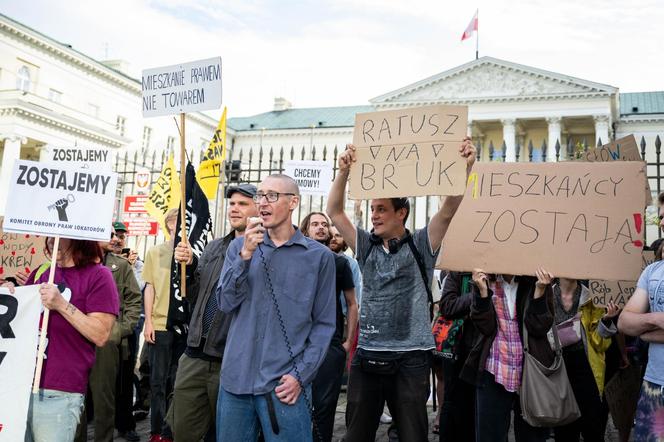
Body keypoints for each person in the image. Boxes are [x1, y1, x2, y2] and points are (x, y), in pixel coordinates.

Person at [326, 138, 476, 441]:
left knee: (412, 435)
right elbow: (335, 211)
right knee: (355, 435)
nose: (374, 215)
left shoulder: (422, 244)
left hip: (412, 358)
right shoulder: (366, 245)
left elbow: (448, 210)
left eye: (381, 209)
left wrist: (467, 165)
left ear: (401, 213)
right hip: (368, 355)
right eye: (372, 209)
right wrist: (342, 172)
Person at [216, 174, 336, 442]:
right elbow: (224, 303)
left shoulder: (319, 258)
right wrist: (244, 257)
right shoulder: (239, 247)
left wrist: (300, 376)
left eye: (272, 195)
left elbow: (324, 325)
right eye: (259, 195)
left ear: (293, 202)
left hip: (284, 386)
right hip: (236, 382)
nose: (262, 203)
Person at [168, 183, 259, 442]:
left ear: (258, 208)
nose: (234, 209)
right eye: (232, 204)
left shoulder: (267, 251)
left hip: (232, 360)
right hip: (194, 354)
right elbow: (198, 297)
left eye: (243, 204)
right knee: (182, 430)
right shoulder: (215, 247)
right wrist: (190, 265)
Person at [3, 237, 118, 441]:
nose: (51, 238)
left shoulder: (99, 276)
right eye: (49, 234)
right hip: (20, 387)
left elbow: (100, 334)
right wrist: (11, 294)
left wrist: (61, 304)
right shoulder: (42, 273)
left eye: (58, 233)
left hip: (59, 393)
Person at [464, 270, 555, 442]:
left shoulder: (534, 281)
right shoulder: (484, 279)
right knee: (490, 435)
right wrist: (483, 293)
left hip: (529, 372)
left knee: (532, 436)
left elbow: (539, 327)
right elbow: (485, 328)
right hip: (495, 369)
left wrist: (540, 290)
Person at [74, 225, 142, 442]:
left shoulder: (120, 266)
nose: (114, 239)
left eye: (115, 235)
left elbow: (134, 300)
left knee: (105, 399)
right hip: (76, 339)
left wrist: (118, 331)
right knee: (77, 397)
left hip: (106, 342)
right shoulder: (74, 264)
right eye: (109, 234)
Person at [300, 211, 359, 442]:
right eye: (315, 224)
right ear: (305, 229)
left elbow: (353, 304)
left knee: (323, 410)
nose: (321, 227)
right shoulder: (293, 259)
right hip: (296, 344)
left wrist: (346, 343)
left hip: (329, 346)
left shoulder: (340, 263)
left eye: (324, 224)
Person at [551, 278, 619, 442]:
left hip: (586, 370)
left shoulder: (592, 296)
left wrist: (606, 319)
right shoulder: (547, 294)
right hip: (559, 372)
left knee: (593, 429)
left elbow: (600, 343)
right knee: (564, 432)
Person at [143, 208, 186, 442]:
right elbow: (149, 287)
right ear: (170, 225)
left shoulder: (192, 254)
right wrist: (148, 321)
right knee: (158, 381)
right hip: (159, 325)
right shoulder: (155, 252)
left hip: (182, 327)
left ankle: (171, 430)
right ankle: (157, 431)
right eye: (180, 221)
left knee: (176, 381)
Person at [619, 252, 664, 440]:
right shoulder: (652, 271)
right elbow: (624, 322)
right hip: (654, 385)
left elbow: (636, 324)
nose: (662, 222)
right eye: (661, 219)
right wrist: (657, 318)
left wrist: (648, 332)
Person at [437, 271, 476, 442]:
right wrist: (479, 293)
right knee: (453, 405)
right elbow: (447, 306)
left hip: (487, 354)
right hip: (459, 352)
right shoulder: (458, 273)